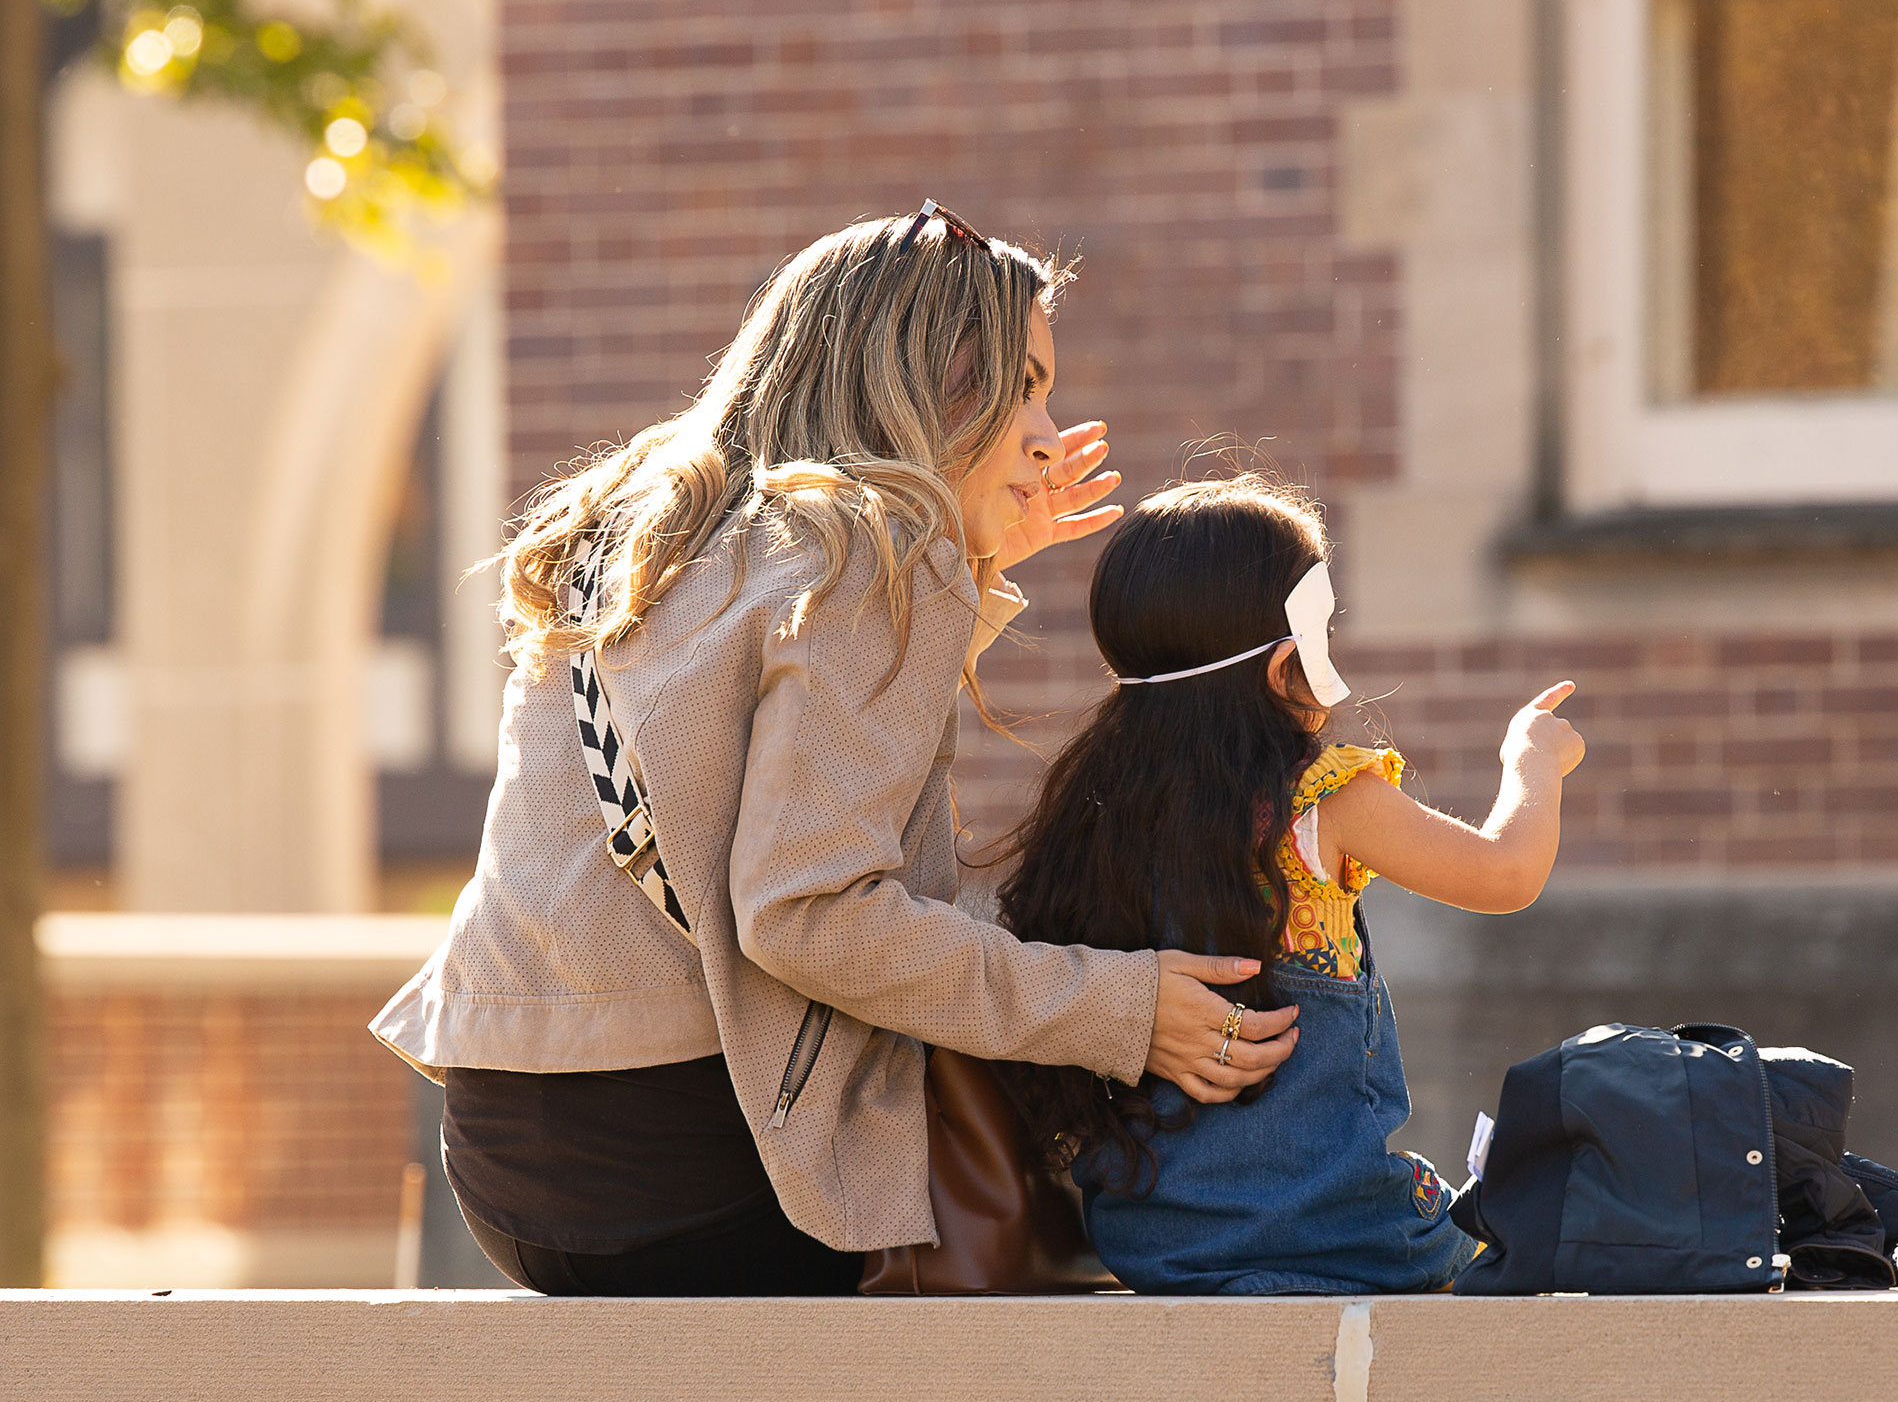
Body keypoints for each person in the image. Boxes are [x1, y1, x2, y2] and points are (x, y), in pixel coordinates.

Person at [371, 206, 1300, 1296]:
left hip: (503, 1158)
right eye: (1020, 387)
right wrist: (1115, 1010)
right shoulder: (865, 552)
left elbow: (723, 756)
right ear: (919, 384)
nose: (1049, 432)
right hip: (686, 1171)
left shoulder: (655, 524)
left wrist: (964, 570)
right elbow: (809, 913)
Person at [995, 475, 1587, 1295]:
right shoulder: (1324, 799)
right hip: (1343, 1232)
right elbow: (1507, 871)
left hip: (1155, 1242)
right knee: (1520, 1244)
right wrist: (1532, 759)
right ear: (1286, 669)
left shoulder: (1090, 820)